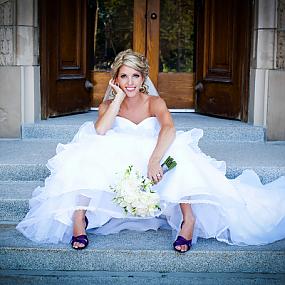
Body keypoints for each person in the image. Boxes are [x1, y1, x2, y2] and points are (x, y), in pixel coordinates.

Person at [17, 49, 285, 253]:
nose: (130, 82)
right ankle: (79, 216)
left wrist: (155, 160)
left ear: (143, 78)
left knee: (180, 154)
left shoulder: (155, 101)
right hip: (118, 155)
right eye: (124, 76)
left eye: (135, 76)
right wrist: (118, 97)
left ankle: (188, 219)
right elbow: (101, 130)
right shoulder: (109, 104)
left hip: (150, 154)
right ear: (115, 79)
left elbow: (169, 129)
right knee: (93, 149)